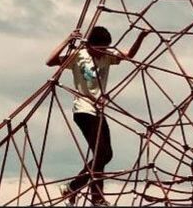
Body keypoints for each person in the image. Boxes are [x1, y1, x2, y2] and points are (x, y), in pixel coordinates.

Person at [46, 24, 151, 205]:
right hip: (83, 110)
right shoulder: (79, 56)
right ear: (90, 45)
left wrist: (141, 36)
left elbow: (129, 55)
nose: (102, 52)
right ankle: (82, 191)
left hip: (98, 111)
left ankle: (86, 194)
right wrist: (68, 39)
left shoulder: (107, 56)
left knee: (105, 155)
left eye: (105, 48)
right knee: (102, 153)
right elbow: (50, 61)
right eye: (100, 48)